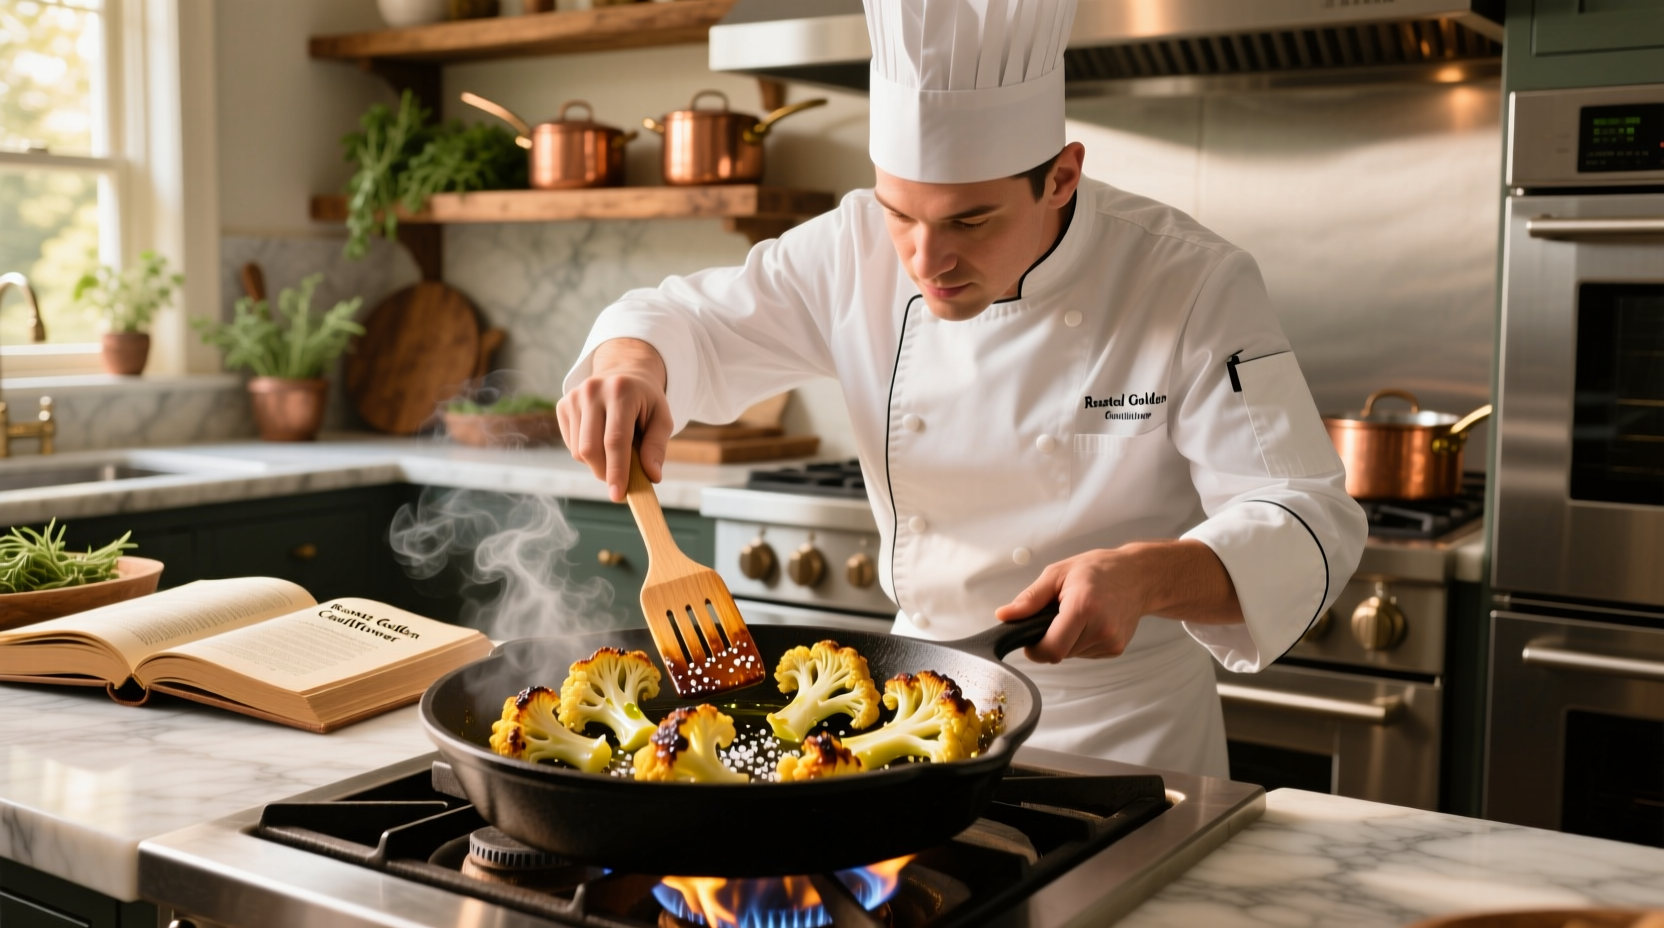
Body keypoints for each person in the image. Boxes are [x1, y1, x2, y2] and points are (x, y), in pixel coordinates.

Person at [558, 0, 1366, 776]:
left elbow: (1308, 517)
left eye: (970, 222)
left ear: (1062, 177)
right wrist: (632, 365)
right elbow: (682, 319)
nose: (924, 259)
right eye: (899, 213)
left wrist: (1147, 575)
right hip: (919, 716)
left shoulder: (1189, 282)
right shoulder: (849, 251)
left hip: (1126, 738)